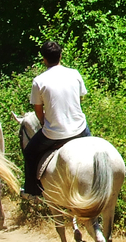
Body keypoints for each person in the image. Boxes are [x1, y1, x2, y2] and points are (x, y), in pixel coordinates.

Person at [21, 40, 91, 198]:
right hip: (80, 129)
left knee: (30, 152)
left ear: (44, 59)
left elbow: (38, 110)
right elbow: (80, 100)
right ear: (61, 56)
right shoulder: (75, 73)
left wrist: (44, 121)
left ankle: (32, 190)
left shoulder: (39, 81)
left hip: (54, 134)